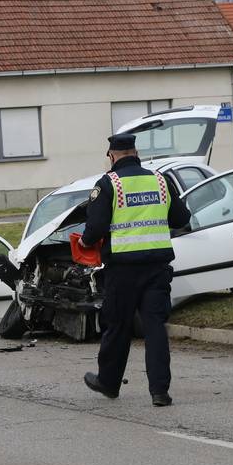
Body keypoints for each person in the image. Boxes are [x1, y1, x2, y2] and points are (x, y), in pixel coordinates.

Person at [79, 133, 191, 407]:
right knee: (154, 327)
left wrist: (83, 242)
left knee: (117, 326)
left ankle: (108, 382)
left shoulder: (108, 184)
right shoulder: (160, 181)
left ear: (112, 155)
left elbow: (94, 229)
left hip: (123, 270)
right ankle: (160, 392)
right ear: (135, 152)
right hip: (157, 268)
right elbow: (181, 218)